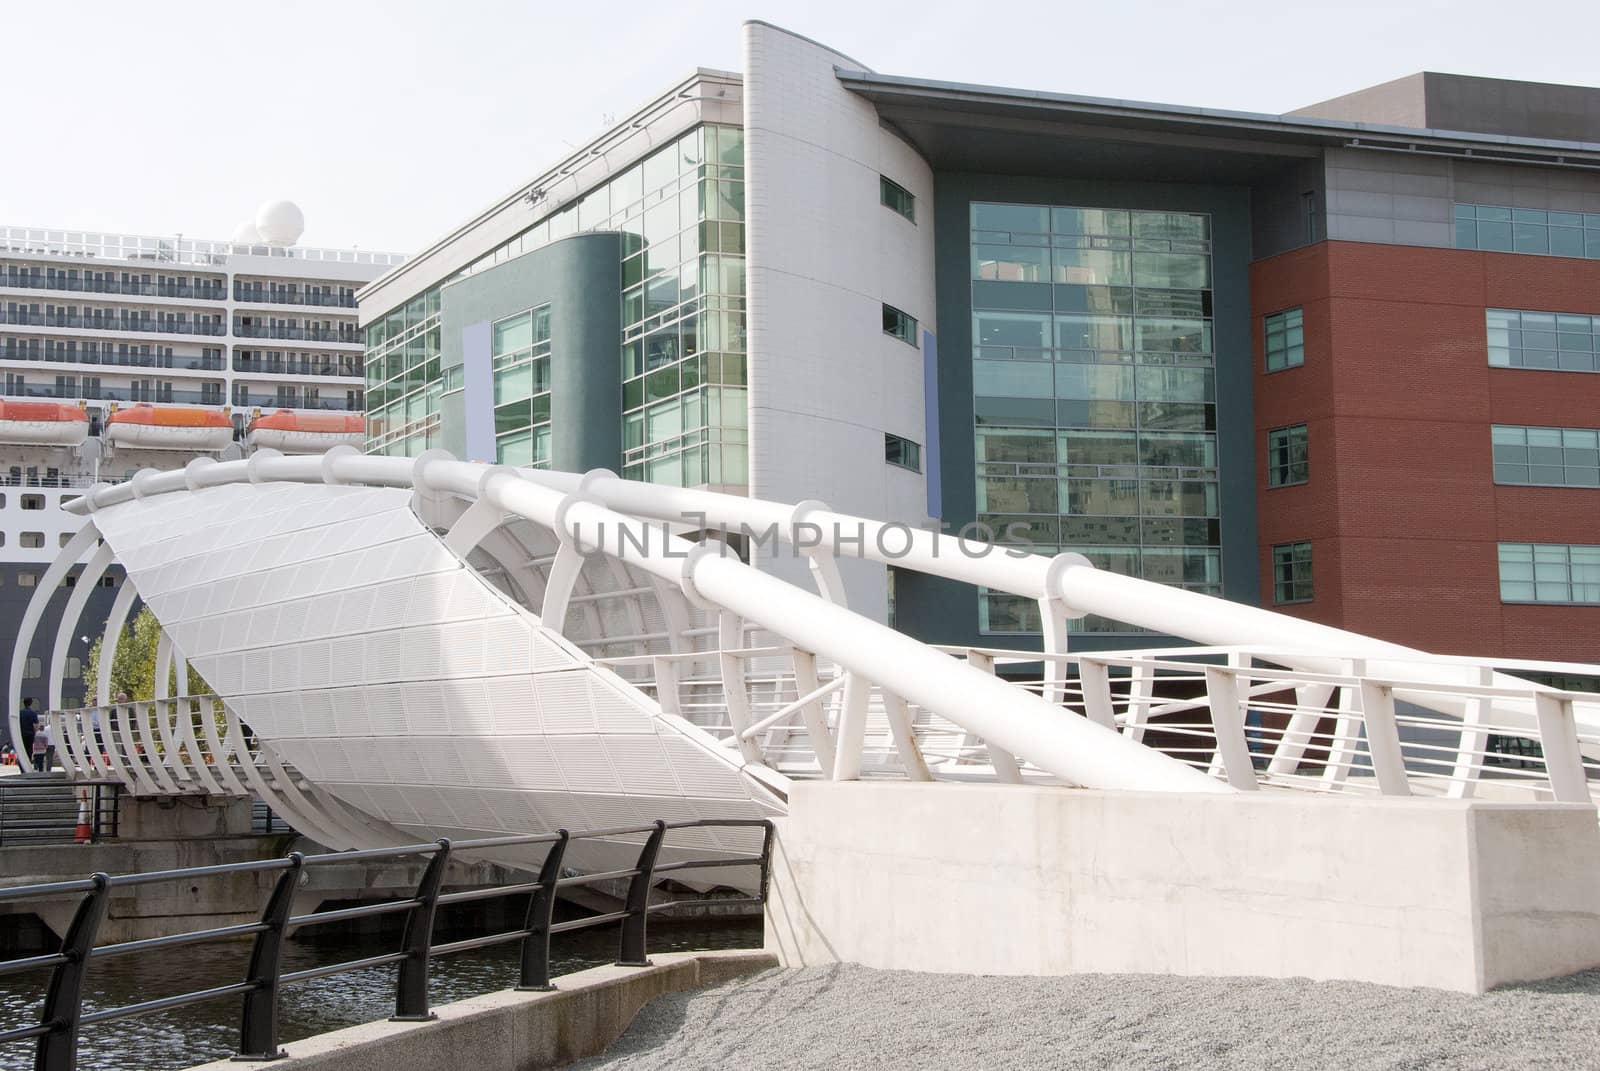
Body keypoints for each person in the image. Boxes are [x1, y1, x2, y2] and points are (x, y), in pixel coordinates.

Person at [18, 698, 38, 769]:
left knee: (22, 749)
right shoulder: (33, 713)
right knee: (29, 750)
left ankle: (21, 765)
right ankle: (28, 764)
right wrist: (35, 734)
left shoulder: (20, 713)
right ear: (31, 703)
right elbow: (36, 725)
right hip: (30, 734)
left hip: (21, 734)